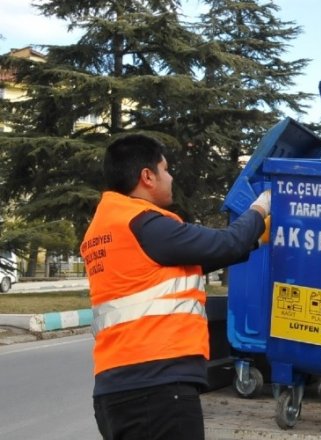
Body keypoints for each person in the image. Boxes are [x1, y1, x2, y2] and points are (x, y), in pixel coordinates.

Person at [81, 134, 271, 440]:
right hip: (157, 388)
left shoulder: (107, 228)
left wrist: (254, 238)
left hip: (114, 390)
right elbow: (225, 243)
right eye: (166, 169)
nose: (171, 177)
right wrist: (259, 211)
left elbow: (195, 261)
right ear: (147, 177)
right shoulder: (144, 224)